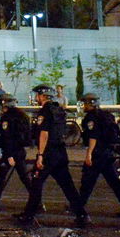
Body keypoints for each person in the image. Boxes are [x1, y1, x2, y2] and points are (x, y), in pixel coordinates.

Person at [16, 83, 87, 228]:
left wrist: (40, 155)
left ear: (43, 96)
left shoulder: (45, 112)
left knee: (36, 183)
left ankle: (28, 215)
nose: (36, 97)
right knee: (68, 185)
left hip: (49, 153)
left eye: (37, 95)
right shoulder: (59, 110)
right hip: (60, 152)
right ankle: (82, 214)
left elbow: (44, 134)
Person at [75, 92, 120, 218]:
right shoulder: (106, 115)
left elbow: (93, 136)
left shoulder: (91, 118)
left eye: (85, 103)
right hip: (107, 153)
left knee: (87, 181)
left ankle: (79, 205)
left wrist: (89, 154)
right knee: (114, 182)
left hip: (98, 153)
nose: (83, 106)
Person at [0, 92, 32, 211]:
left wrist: (9, 155)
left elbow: (8, 137)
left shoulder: (7, 117)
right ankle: (37, 202)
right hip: (19, 151)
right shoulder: (22, 115)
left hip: (11, 153)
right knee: (25, 178)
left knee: (1, 179)